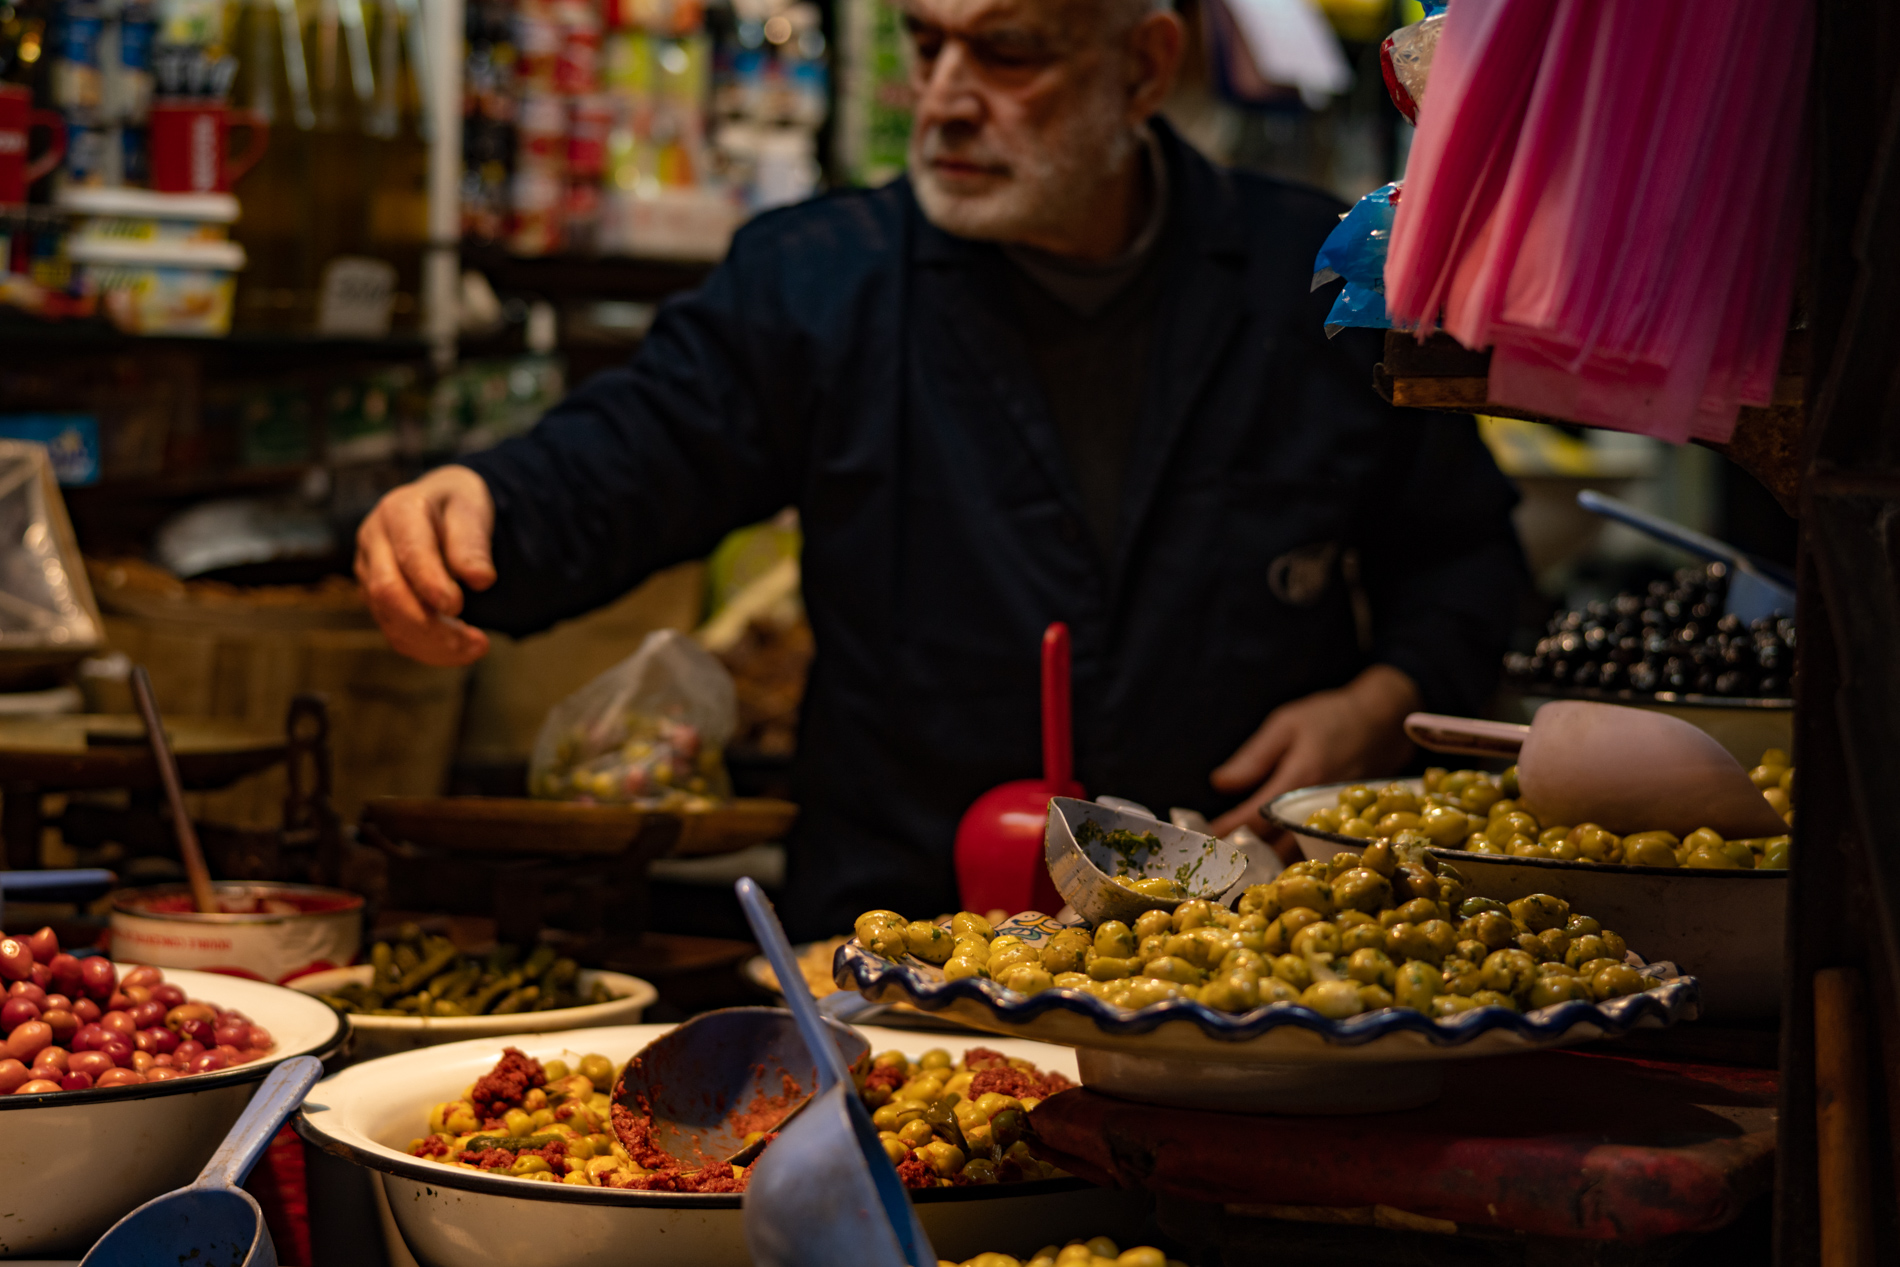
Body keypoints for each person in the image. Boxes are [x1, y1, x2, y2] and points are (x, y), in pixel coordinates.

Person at [357, 0, 1528, 937]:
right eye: (926, 44)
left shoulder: (1315, 277)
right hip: (891, 932)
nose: (946, 99)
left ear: (1143, 65)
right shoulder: (818, 280)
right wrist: (483, 511)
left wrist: (1381, 701)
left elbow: (1467, 556)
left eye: (1008, 52)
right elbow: (639, 452)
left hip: (1239, 936)